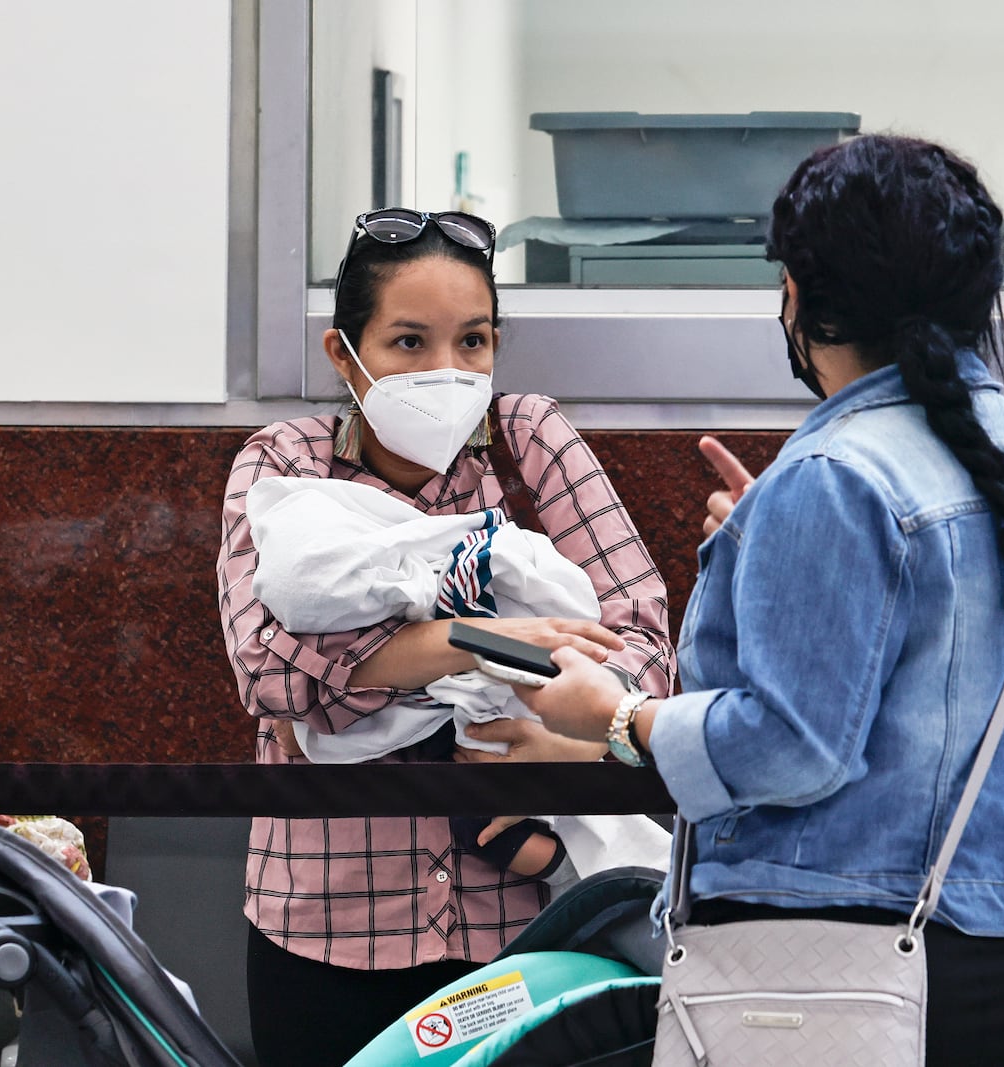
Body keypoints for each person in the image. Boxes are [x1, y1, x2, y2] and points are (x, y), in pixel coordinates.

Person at [517, 135, 1004, 1065]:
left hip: (831, 977)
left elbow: (792, 746)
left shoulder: (836, 476)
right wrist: (779, 541)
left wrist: (620, 715)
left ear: (803, 294)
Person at [216, 208, 675, 1067]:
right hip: (327, 921)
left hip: (519, 930)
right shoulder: (287, 463)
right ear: (343, 356)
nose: (446, 370)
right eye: (408, 343)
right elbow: (267, 670)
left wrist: (562, 741)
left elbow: (643, 637)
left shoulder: (529, 440)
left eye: (472, 342)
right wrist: (473, 640)